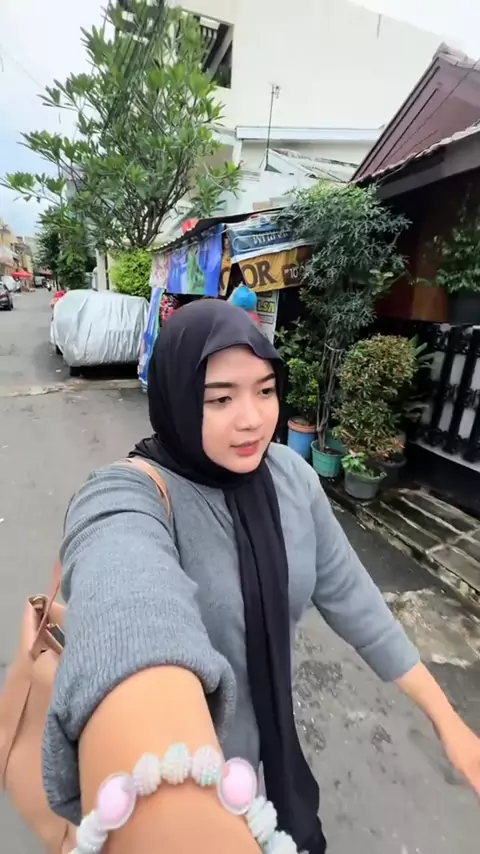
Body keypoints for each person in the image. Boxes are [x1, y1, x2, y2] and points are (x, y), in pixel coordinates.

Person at [43, 300, 480, 854]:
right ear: (177, 397)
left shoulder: (291, 476)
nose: (251, 418)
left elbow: (356, 601)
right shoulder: (128, 494)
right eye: (220, 398)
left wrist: (449, 722)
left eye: (265, 390)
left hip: (270, 769)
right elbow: (124, 594)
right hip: (188, 792)